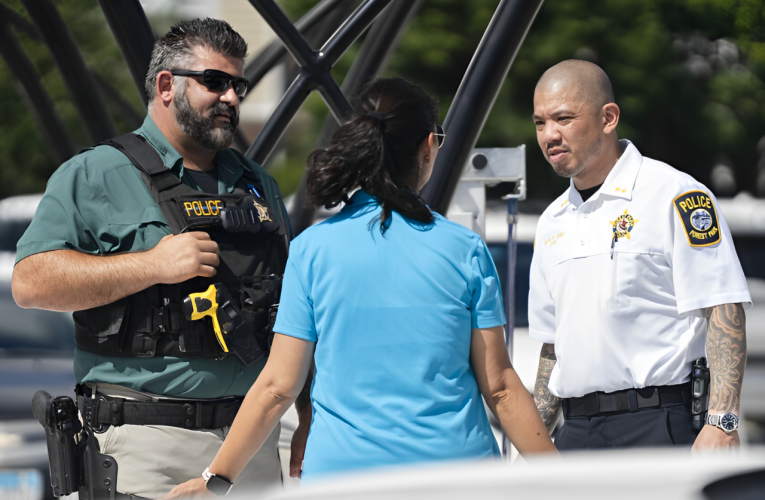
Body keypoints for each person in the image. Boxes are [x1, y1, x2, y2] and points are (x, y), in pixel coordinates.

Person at [164, 77, 557, 497]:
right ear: (428, 145)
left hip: (343, 480)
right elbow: (498, 386)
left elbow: (278, 386)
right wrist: (564, 481)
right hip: (456, 478)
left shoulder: (313, 250)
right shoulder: (463, 250)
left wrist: (216, 480)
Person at [12, 18, 311, 499]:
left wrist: (308, 414)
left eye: (239, 84)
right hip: (145, 447)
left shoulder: (257, 184)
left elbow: (297, 310)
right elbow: (30, 283)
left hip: (249, 445)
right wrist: (152, 265)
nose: (231, 98)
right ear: (166, 85)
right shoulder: (97, 173)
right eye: (215, 82)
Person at [529, 59, 751, 451]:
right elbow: (551, 349)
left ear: (608, 118)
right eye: (540, 123)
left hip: (657, 424)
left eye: (563, 118)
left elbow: (723, 308)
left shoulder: (676, 194)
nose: (550, 135)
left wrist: (723, 422)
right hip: (575, 434)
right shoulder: (550, 222)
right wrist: (530, 443)